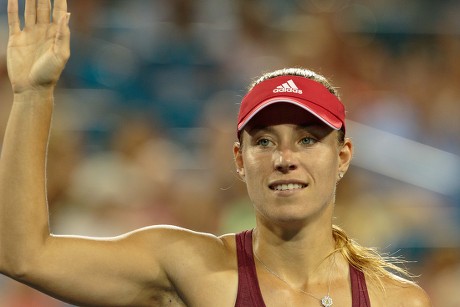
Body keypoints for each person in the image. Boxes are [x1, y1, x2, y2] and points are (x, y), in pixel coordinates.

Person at [0, 0, 432, 306]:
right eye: (264, 141)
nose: (285, 157)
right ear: (240, 160)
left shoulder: (399, 301)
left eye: (307, 138)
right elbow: (21, 256)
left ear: (343, 157)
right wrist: (32, 95)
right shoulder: (188, 268)